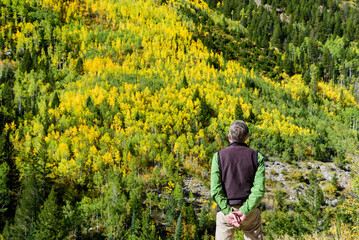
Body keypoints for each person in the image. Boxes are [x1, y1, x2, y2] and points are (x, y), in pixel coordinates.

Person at [210, 120, 265, 240]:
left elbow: (215, 190)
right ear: (247, 137)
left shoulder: (219, 156)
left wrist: (227, 211)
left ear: (229, 136)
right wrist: (244, 211)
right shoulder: (256, 156)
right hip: (250, 211)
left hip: (226, 211)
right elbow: (259, 191)